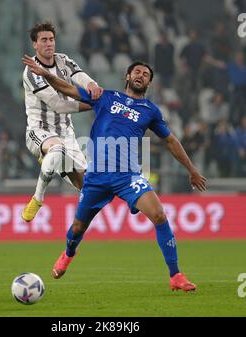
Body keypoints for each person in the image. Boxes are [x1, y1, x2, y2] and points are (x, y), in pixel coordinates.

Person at [23, 55, 207, 292]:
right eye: (137, 72)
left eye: (146, 75)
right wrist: (46, 73)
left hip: (127, 177)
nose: (141, 75)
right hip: (97, 176)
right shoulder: (105, 97)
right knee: (78, 227)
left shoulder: (150, 110)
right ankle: (68, 254)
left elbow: (170, 140)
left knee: (159, 215)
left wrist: (191, 170)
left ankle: (176, 276)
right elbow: (68, 89)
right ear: (127, 76)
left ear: (149, 84)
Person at [21, 22, 103, 222]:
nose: (49, 44)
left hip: (67, 133)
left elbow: (80, 76)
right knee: (56, 150)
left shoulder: (63, 60)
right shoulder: (31, 72)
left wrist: (92, 85)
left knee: (88, 186)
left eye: (51, 39)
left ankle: (49, 159)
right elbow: (59, 105)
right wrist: (93, 104)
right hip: (39, 131)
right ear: (35, 45)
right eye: (44, 40)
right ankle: (37, 198)